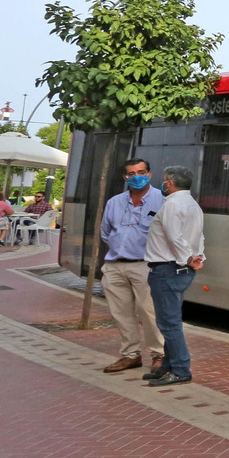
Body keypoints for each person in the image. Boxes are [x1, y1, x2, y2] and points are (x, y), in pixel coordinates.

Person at [97, 158, 165, 374]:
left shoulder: (162, 200)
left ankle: (159, 354)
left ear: (150, 174)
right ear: (125, 177)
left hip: (146, 265)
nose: (137, 177)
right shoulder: (114, 202)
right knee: (121, 313)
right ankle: (130, 355)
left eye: (141, 172)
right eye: (132, 174)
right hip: (115, 265)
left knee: (149, 312)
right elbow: (106, 232)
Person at [143, 166, 205, 387]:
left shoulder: (172, 204)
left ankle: (180, 370)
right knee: (171, 320)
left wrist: (187, 257)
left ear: (170, 183)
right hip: (179, 269)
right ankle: (168, 366)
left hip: (167, 269)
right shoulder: (193, 204)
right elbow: (198, 236)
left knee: (168, 323)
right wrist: (197, 256)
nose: (162, 184)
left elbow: (174, 237)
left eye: (163, 181)